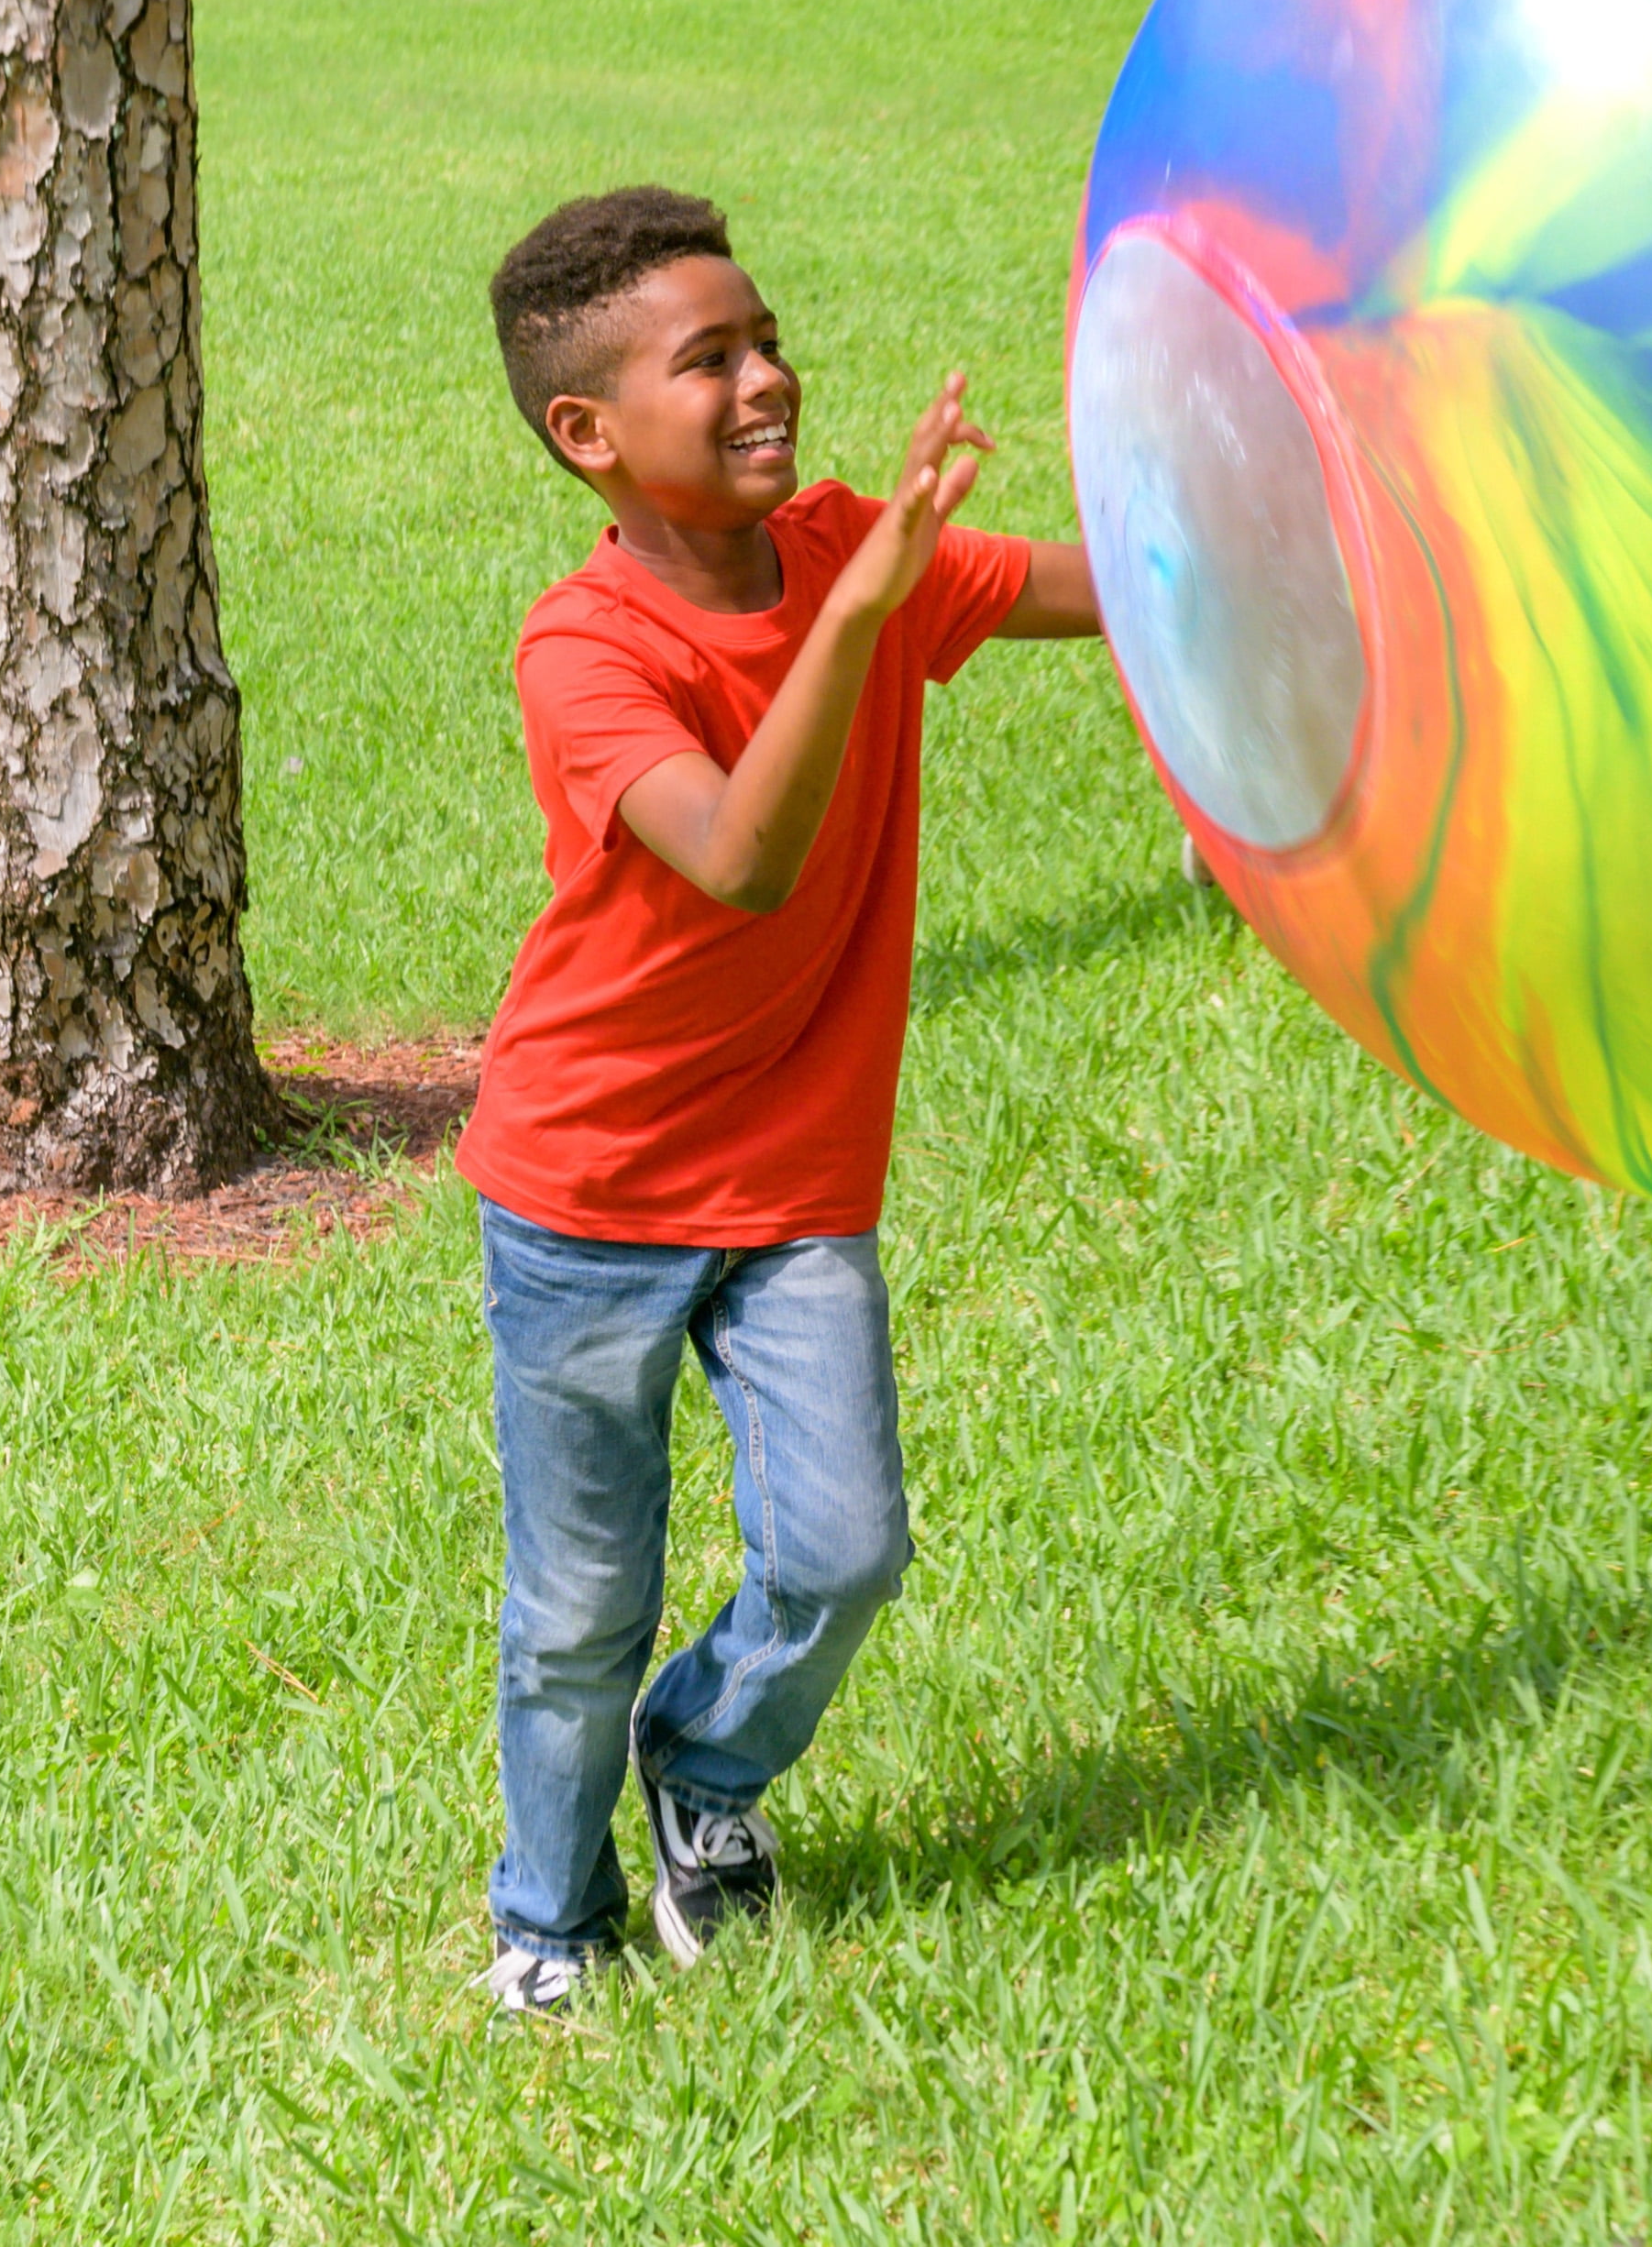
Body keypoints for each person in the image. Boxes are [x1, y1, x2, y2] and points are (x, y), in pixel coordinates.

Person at [452, 184, 1100, 2016]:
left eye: (765, 338)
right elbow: (738, 852)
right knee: (579, 1601)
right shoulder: (584, 647)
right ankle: (546, 1917)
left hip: (792, 1176)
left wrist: (1307, 540)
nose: (767, 377)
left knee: (843, 1544)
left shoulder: (846, 551)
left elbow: (1116, 588)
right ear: (589, 433)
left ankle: (710, 1769)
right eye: (708, 358)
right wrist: (864, 604)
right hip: (588, 1190)